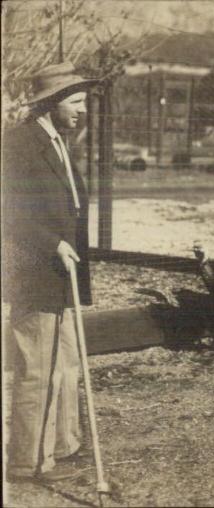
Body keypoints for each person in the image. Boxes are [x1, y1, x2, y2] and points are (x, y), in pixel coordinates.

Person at [2, 62, 97, 483]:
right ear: (53, 103)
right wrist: (51, 242)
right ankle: (28, 462)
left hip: (62, 275)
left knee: (66, 362)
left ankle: (63, 444)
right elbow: (7, 212)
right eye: (76, 101)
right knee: (37, 366)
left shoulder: (56, 141)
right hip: (36, 272)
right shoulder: (19, 144)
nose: (83, 110)